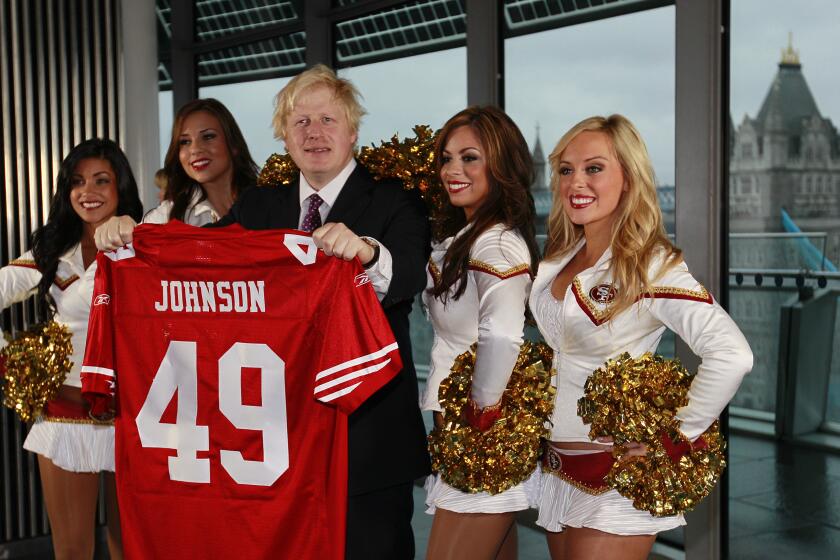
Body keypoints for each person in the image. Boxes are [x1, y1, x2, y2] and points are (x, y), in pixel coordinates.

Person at [94, 65, 431, 559]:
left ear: (353, 131)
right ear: (283, 135)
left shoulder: (393, 200)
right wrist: (133, 240)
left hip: (366, 444)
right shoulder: (258, 208)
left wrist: (365, 253)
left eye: (328, 120)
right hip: (278, 447)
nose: (314, 133)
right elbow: (195, 258)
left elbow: (407, 277)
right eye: (300, 122)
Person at [529, 114, 753, 559]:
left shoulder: (650, 263)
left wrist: (676, 435)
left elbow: (732, 353)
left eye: (594, 168)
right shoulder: (559, 256)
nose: (576, 181)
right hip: (555, 469)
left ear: (628, 179)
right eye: (566, 169)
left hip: (616, 480)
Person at [0, 139, 143, 559]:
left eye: (102, 180)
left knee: (132, 549)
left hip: (133, 415)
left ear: (121, 188)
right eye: (78, 182)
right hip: (65, 412)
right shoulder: (50, 253)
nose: (89, 191)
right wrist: (11, 362)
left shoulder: (145, 243)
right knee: (72, 551)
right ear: (66, 191)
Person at [420, 106, 540, 560]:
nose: (453, 170)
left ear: (501, 165)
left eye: (470, 157)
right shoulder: (472, 235)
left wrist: (481, 413)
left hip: (479, 432)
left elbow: (505, 335)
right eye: (447, 158)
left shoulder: (496, 242)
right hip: (461, 423)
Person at [95, 98, 257, 242]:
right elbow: (96, 274)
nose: (195, 149)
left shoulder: (270, 202)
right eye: (185, 142)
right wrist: (118, 230)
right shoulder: (167, 216)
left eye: (208, 137)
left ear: (234, 145)